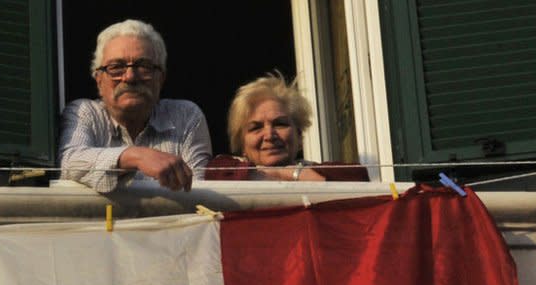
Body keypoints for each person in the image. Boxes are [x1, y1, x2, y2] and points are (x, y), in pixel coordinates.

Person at [59, 19, 212, 193]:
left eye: (143, 66)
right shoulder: (83, 112)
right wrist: (136, 156)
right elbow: (68, 163)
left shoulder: (185, 117)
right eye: (116, 67)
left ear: (160, 78)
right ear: (99, 80)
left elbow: (198, 191)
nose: (130, 77)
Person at [205, 73, 369, 182]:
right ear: (241, 145)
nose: (269, 135)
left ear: (299, 136)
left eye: (280, 124)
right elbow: (213, 173)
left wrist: (289, 172)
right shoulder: (224, 168)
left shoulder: (319, 169)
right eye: (256, 128)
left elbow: (358, 176)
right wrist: (293, 176)